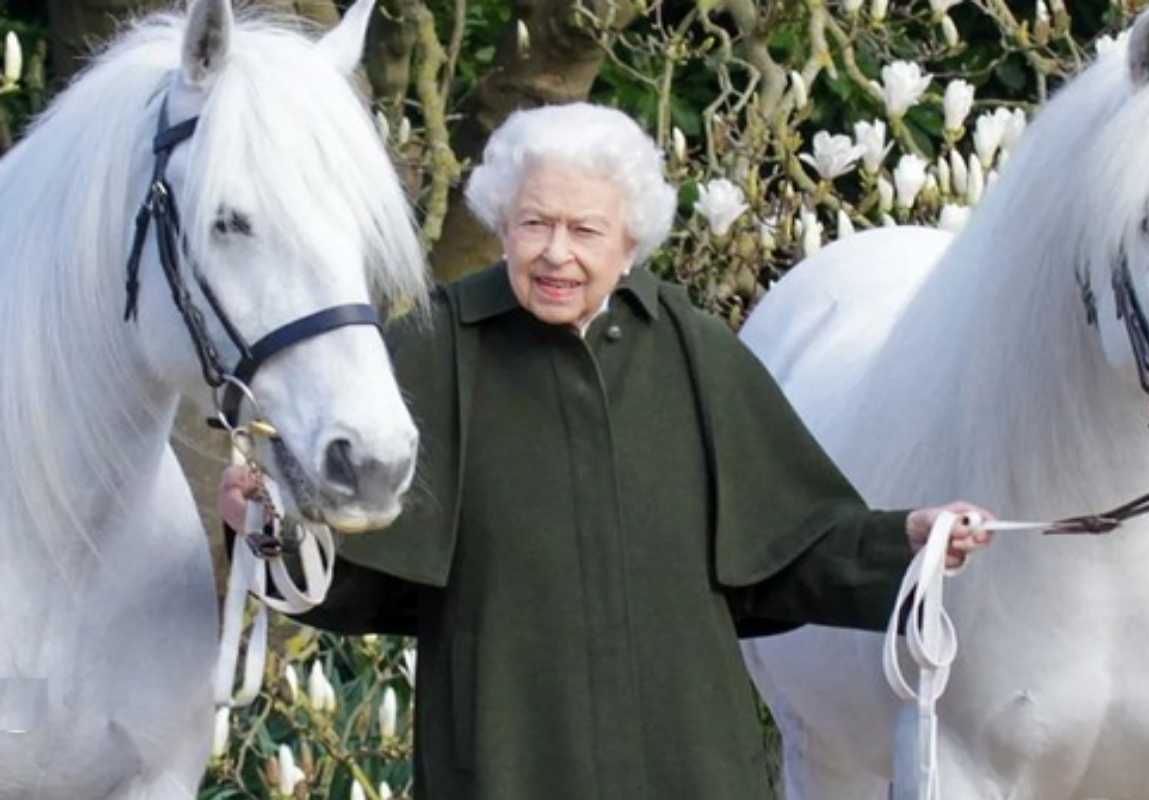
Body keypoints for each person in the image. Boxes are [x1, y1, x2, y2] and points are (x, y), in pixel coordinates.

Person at [221, 102, 993, 800]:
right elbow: (360, 578)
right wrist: (269, 531)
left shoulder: (692, 349)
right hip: (503, 764)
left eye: (585, 230)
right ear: (502, 226)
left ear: (630, 244)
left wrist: (908, 540)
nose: (557, 253)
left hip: (689, 766)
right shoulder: (434, 348)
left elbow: (787, 554)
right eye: (535, 223)